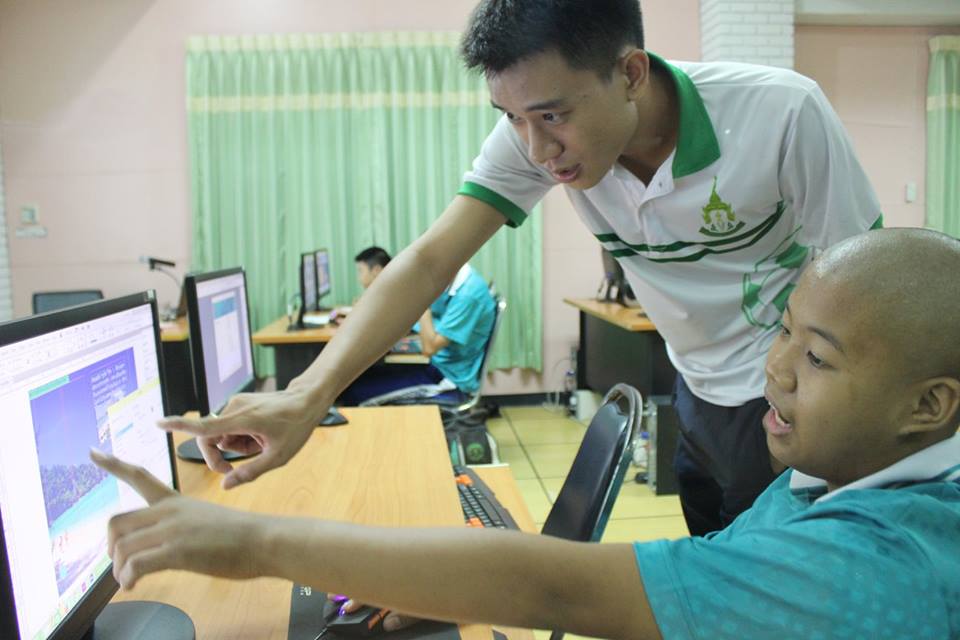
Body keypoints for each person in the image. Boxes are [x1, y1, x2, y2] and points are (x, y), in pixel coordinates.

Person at [161, 0, 881, 537]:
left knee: (777, 583)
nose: (536, 150)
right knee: (710, 559)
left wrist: (824, 408)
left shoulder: (779, 114)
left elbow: (864, 282)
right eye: (511, 118)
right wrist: (307, 395)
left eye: (552, 117)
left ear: (630, 73)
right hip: (694, 387)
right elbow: (431, 259)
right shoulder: (533, 135)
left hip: (785, 395)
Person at [95, 229, 960, 639]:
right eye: (783, 332)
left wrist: (254, 542)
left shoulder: (881, 562)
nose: (773, 370)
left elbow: (564, 592)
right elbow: (690, 578)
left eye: (816, 357)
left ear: (929, 405)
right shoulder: (842, 473)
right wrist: (446, 584)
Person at [337, 247, 497, 405]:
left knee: (354, 392)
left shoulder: (468, 294)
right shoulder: (450, 281)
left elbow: (429, 348)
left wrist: (422, 300)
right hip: (436, 365)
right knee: (355, 380)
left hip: (449, 379)